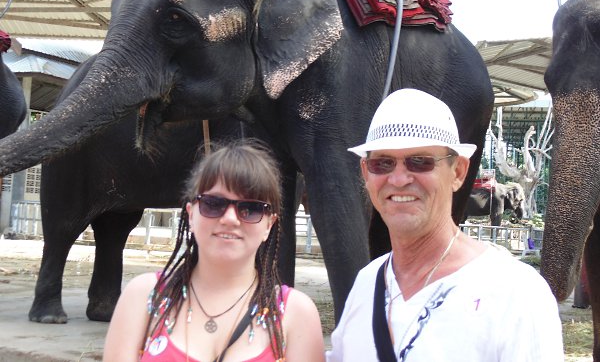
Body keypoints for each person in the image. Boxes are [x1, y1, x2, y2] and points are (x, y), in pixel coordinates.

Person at [326, 88, 564, 362]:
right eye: (383, 163)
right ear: (366, 173)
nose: (399, 179)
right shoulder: (366, 284)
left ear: (458, 172)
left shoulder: (515, 292)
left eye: (420, 162)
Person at [103, 141, 325, 362]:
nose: (230, 219)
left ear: (269, 224)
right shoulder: (143, 297)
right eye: (213, 204)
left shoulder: (297, 314)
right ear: (191, 214)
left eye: (250, 209)